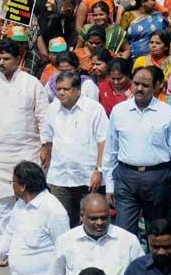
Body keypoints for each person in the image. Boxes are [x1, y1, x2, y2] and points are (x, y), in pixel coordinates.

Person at [0, 39, 49, 266]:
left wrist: (46, 145)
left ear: (18, 59)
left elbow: (43, 117)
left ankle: (27, 245)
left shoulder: (32, 84)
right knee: (0, 205)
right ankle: (5, 249)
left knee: (29, 202)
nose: (1, 63)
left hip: (28, 152)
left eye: (6, 59)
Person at [103, 67, 171, 237]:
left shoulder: (168, 113)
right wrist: (109, 184)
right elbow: (111, 150)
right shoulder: (119, 111)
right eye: (136, 84)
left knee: (158, 232)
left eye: (145, 85)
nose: (139, 88)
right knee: (124, 233)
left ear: (157, 86)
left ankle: (156, 263)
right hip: (125, 178)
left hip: (158, 179)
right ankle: (131, 264)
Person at [42, 72, 109, 228]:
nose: (61, 93)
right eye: (58, 89)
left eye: (66, 89)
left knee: (92, 224)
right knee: (62, 224)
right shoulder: (51, 109)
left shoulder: (94, 109)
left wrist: (99, 170)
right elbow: (48, 140)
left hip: (88, 179)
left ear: (78, 89)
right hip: (60, 178)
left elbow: (103, 141)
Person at [0, 161, 70, 275]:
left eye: (13, 182)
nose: (12, 185)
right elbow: (9, 234)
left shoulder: (54, 210)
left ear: (23, 186)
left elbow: (64, 250)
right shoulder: (20, 204)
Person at [51, 193, 144, 275]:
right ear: (82, 216)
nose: (99, 222)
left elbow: (141, 270)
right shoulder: (65, 241)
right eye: (93, 218)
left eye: (104, 218)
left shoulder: (128, 240)